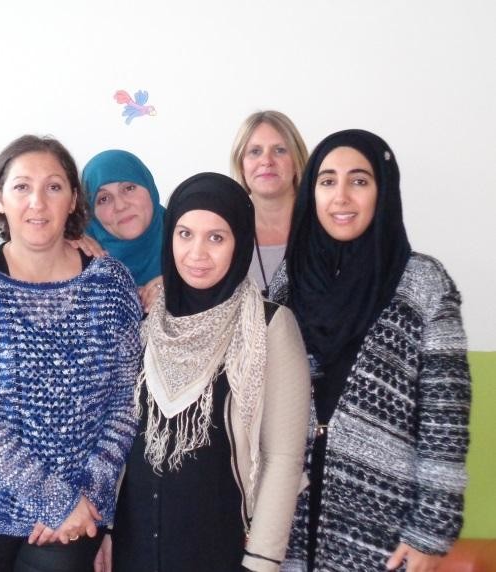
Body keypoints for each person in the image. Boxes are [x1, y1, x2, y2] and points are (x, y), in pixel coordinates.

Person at [0, 135, 143, 572]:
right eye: (21, 187)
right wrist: (52, 500)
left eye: (53, 187)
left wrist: (86, 497)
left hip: (78, 511)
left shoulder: (110, 284)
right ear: (0, 198)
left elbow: (126, 401)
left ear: (73, 199)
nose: (38, 202)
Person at [271, 130, 471, 571]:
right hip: (288, 526)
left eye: (359, 181)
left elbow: (445, 421)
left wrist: (429, 532)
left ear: (383, 191)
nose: (341, 196)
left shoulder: (424, 284)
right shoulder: (289, 281)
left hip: (383, 532)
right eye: (327, 181)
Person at [102, 173, 311, 572]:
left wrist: (262, 561)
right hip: (135, 545)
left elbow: (283, 457)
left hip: (220, 548)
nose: (196, 253)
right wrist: (109, 529)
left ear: (240, 243)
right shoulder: (148, 323)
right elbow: (123, 438)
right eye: (185, 234)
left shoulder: (269, 327)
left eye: (216, 237)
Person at [230, 110, 308, 297]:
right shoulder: (225, 232)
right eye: (255, 152)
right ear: (241, 165)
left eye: (279, 150)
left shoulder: (326, 227)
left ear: (297, 161)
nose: (266, 161)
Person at [81, 149, 165, 310]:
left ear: (149, 187)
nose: (120, 206)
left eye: (129, 188)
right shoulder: (80, 263)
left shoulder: (189, 241)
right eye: (103, 199)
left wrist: (181, 286)